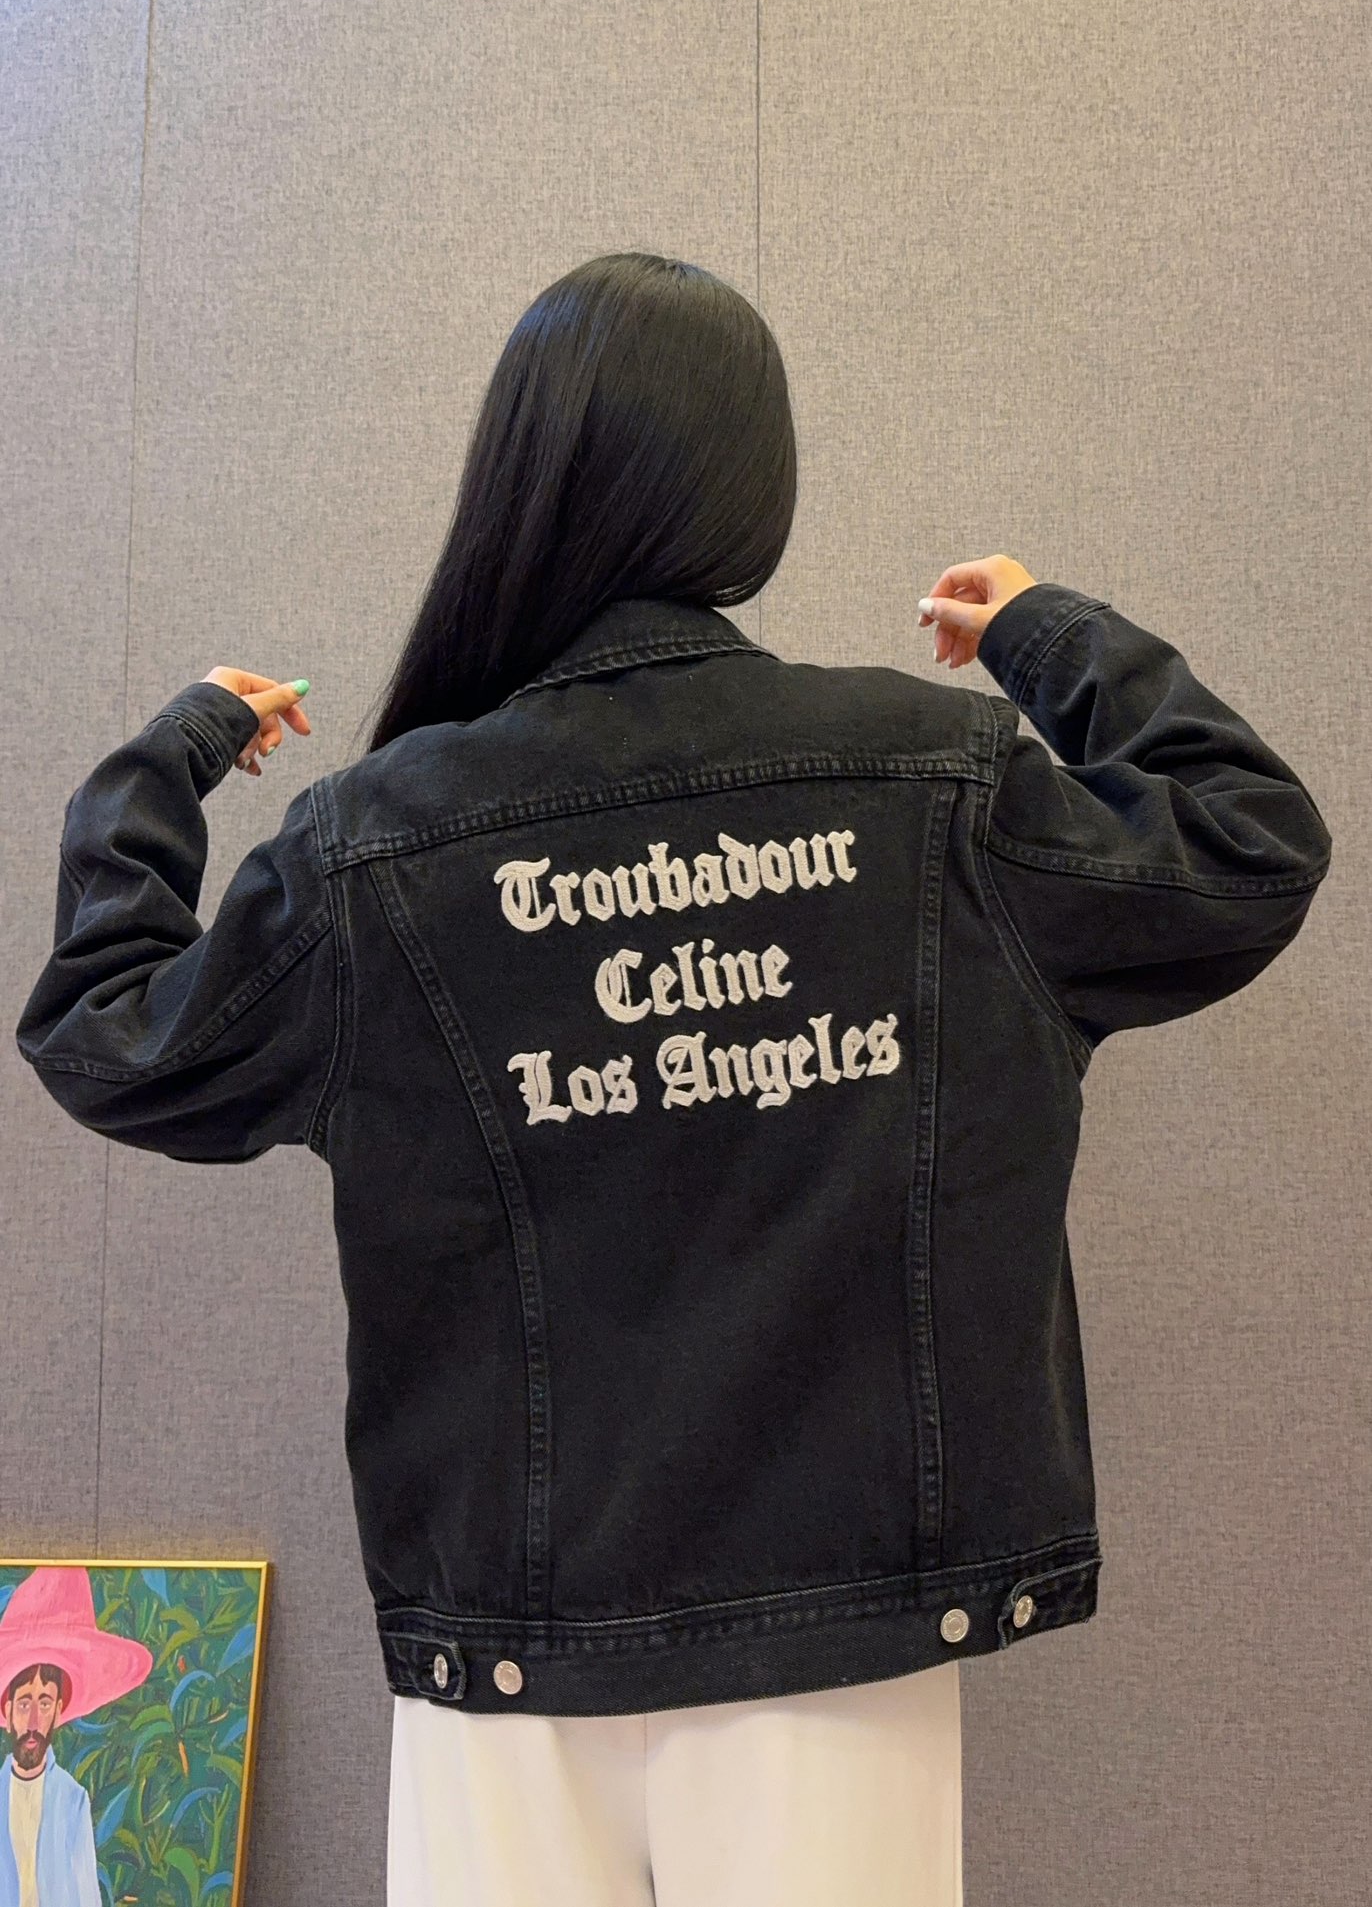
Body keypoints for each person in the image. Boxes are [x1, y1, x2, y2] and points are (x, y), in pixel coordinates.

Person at [14, 253, 1332, 1907]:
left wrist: (175, 755)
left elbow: (106, 1031)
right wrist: (1044, 632)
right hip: (841, 1641)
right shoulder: (934, 785)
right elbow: (1246, 840)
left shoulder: (378, 844)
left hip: (507, 1663)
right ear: (752, 493)